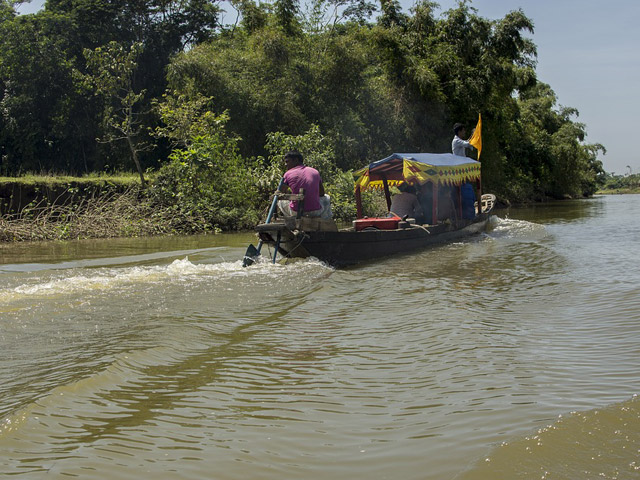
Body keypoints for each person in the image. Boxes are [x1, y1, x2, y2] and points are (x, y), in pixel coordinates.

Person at [277, 151, 332, 219]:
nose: (285, 164)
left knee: (280, 200)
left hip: (296, 212)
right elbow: (321, 193)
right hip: (315, 211)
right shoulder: (315, 171)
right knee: (327, 197)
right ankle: (325, 220)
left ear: (296, 160)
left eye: (287, 161)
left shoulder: (287, 174)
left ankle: (293, 220)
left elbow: (280, 193)